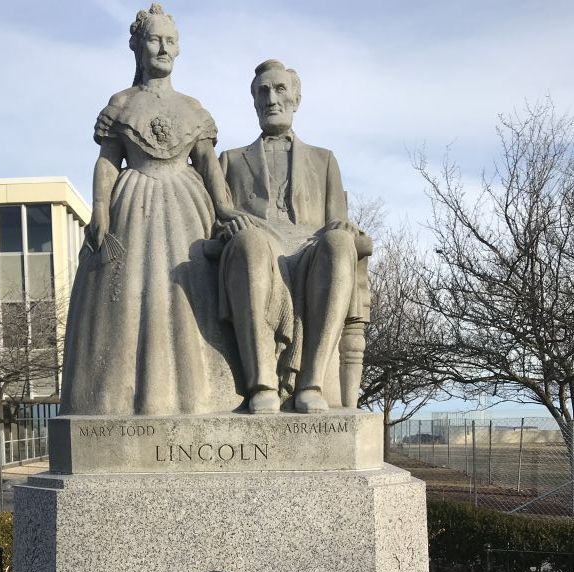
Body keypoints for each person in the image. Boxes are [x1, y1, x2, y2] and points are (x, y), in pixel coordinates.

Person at [59, 4, 245, 416]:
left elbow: (208, 163)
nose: (163, 48)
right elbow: (108, 161)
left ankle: (203, 398)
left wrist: (226, 209)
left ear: (179, 50)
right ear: (137, 47)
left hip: (187, 207)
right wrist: (100, 210)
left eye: (170, 41)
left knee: (190, 295)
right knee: (130, 298)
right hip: (132, 202)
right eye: (154, 40)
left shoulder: (193, 107)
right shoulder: (122, 103)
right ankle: (120, 398)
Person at [217, 59, 372, 413]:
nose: (271, 98)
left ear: (296, 99)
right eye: (262, 91)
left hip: (310, 245)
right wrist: (230, 229)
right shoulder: (230, 159)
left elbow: (337, 221)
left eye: (280, 89)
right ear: (254, 102)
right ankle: (261, 385)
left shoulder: (324, 160)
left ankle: (311, 384)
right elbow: (215, 223)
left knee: (338, 245)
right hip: (257, 243)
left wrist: (343, 229)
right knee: (250, 243)